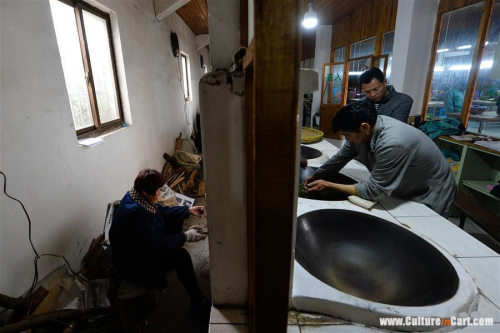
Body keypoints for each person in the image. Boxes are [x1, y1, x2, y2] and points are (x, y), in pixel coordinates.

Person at [303, 102, 457, 217]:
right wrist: (318, 174)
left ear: (364, 127)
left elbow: (374, 191)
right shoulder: (366, 127)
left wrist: (328, 184)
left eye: (347, 135)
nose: (347, 139)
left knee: (425, 234)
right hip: (404, 184)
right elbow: (341, 157)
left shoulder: (393, 142)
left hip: (430, 191)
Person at [109, 169, 209, 312]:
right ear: (145, 191)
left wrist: (188, 210)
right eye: (157, 191)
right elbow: (157, 245)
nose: (160, 194)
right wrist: (186, 236)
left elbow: (160, 211)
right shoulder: (133, 215)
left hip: (143, 245)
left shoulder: (134, 195)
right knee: (182, 256)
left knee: (176, 219)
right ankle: (198, 303)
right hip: (135, 264)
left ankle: (175, 244)